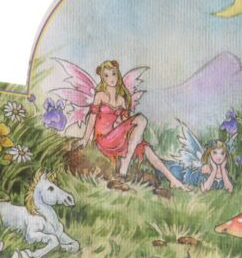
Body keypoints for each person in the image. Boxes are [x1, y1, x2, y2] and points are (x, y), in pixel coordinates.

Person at [78, 59, 188, 190]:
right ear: (102, 78)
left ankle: (173, 180)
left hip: (118, 138)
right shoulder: (100, 95)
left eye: (113, 74)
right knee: (141, 120)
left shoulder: (122, 99)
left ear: (118, 74)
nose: (111, 78)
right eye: (106, 75)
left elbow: (126, 123)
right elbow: (92, 118)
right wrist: (85, 138)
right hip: (104, 138)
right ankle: (125, 164)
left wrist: (134, 134)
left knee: (146, 148)